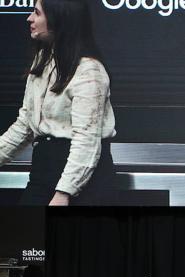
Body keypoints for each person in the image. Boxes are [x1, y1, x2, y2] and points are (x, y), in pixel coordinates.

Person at [0, 0, 116, 206]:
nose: (30, 18)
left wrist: (64, 192)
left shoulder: (89, 70)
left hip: (83, 178)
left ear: (58, 20)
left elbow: (86, 140)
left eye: (37, 13)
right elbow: (24, 126)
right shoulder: (42, 62)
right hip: (43, 171)